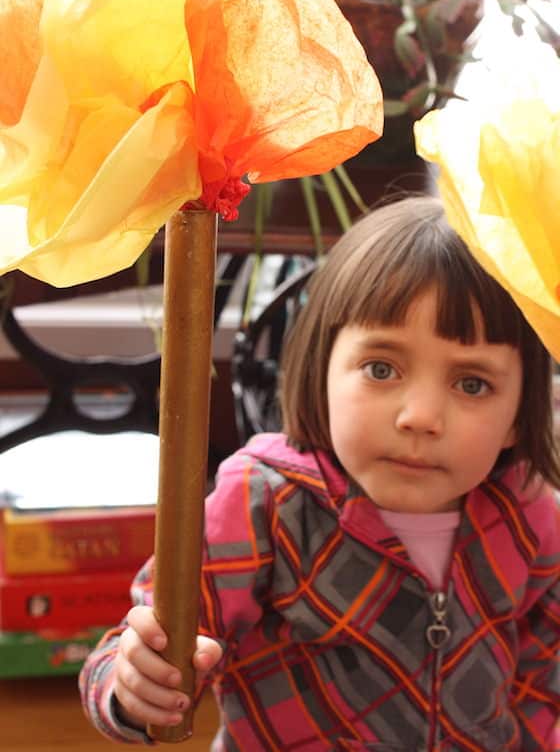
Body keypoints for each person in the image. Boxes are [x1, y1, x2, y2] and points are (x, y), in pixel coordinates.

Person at [79, 195, 560, 751]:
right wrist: (133, 685)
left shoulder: (530, 513)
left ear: (520, 415)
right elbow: (138, 644)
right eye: (382, 368)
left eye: (472, 383)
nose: (420, 417)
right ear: (321, 366)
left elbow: (544, 670)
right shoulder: (262, 504)